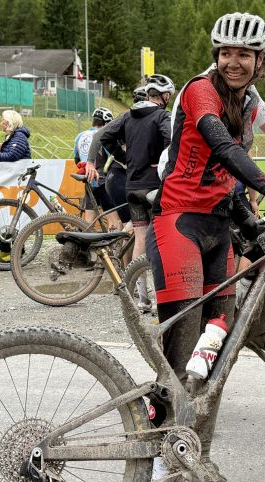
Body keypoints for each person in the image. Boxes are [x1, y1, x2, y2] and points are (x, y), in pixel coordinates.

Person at [149, 12, 265, 479]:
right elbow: (224, 149)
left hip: (219, 223)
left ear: (260, 61)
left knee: (216, 337)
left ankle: (192, 449)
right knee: (185, 335)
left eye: (244, 55)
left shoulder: (250, 100)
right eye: (226, 53)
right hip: (178, 221)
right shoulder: (200, 91)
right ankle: (158, 443)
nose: (233, 62)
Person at [101, 74, 174, 312]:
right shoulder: (162, 116)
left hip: (131, 186)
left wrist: (125, 160)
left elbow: (105, 136)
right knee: (162, 239)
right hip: (154, 186)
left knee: (141, 239)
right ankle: (164, 296)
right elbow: (172, 141)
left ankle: (141, 298)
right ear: (164, 97)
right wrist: (161, 161)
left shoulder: (129, 115)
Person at [0, 110, 32, 262]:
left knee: (14, 216)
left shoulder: (19, 136)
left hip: (18, 182)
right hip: (10, 181)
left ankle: (17, 251)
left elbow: (12, 156)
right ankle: (4, 249)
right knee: (5, 216)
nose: (1, 123)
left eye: (3, 120)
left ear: (9, 122)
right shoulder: (11, 137)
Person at [76, 107, 121, 230]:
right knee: (113, 220)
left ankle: (83, 247)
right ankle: (115, 248)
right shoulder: (105, 136)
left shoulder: (80, 136)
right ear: (107, 123)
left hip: (89, 181)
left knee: (88, 221)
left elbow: (77, 159)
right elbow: (113, 157)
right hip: (103, 181)